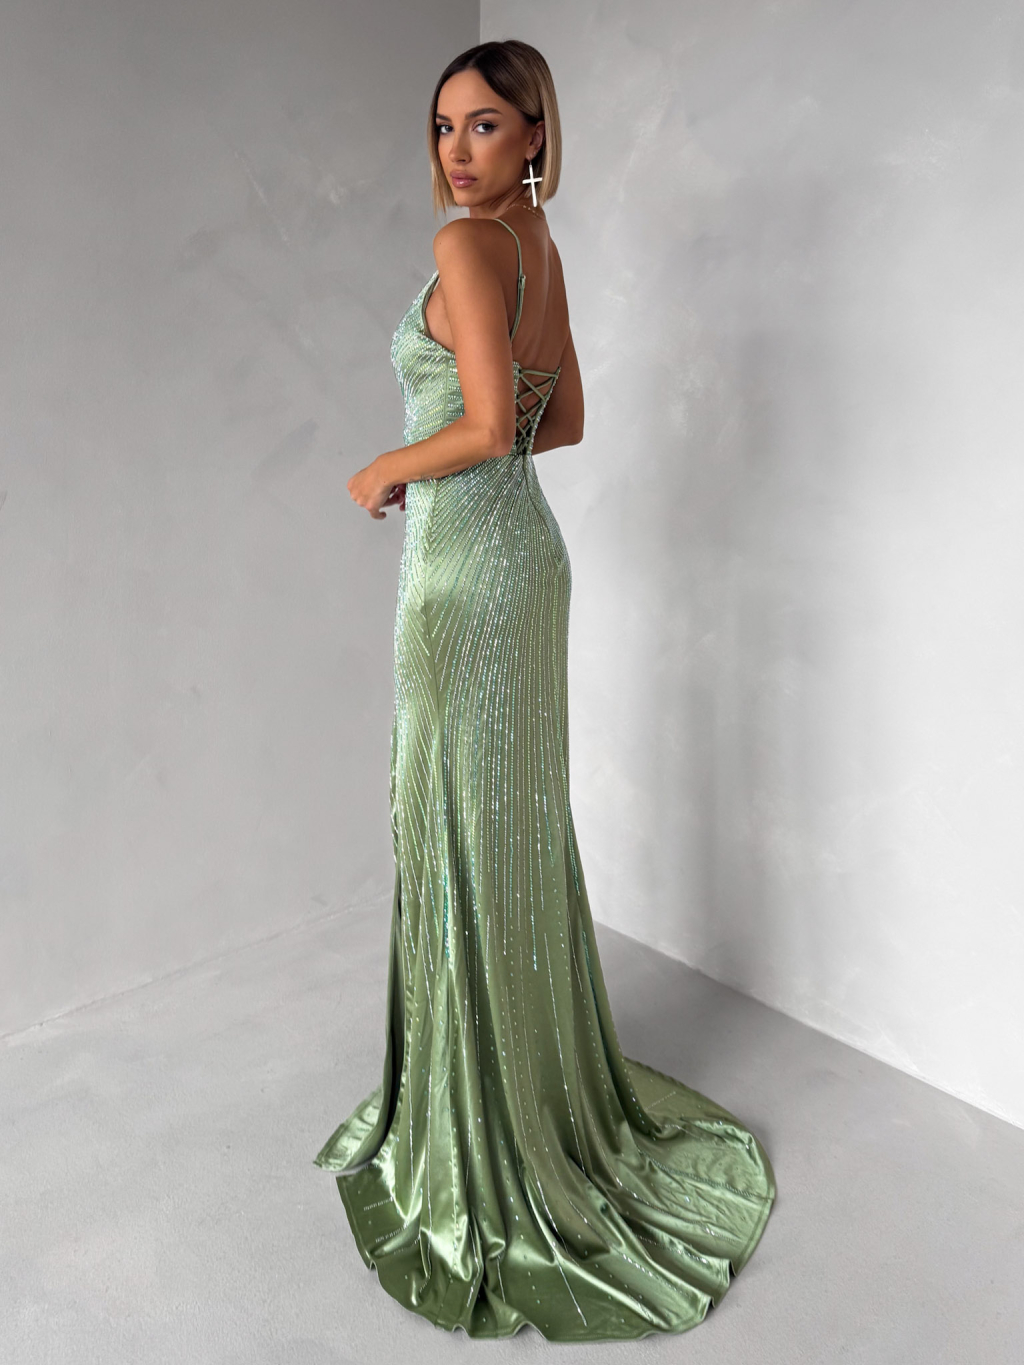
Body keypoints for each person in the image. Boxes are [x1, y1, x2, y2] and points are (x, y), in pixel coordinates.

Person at [314, 38, 776, 1342]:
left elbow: (477, 427)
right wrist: (460, 444)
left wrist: (383, 466)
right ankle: (524, 1096)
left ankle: (480, 1133)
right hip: (527, 560)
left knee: (461, 822)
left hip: (464, 576)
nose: (457, 151)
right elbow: (553, 422)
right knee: (506, 826)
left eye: (483, 126)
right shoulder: (537, 249)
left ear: (534, 134)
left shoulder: (469, 248)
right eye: (442, 127)